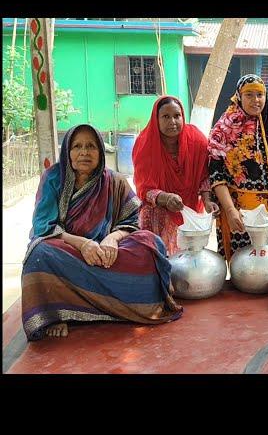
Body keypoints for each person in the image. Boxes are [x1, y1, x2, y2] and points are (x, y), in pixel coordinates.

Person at [21, 124, 182, 341]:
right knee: (39, 253)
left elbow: (132, 222)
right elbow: (42, 227)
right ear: (67, 151)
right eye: (77, 146)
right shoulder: (53, 177)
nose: (84, 152)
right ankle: (57, 312)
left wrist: (111, 239)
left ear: (100, 152)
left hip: (107, 255)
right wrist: (82, 244)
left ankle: (129, 305)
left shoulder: (113, 180)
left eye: (91, 146)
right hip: (67, 252)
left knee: (150, 243)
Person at [208, 74, 268, 260]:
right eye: (249, 95)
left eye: (260, 94)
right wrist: (229, 210)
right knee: (242, 268)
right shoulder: (223, 130)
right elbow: (216, 174)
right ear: (238, 97)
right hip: (237, 213)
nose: (255, 100)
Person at [132, 95, 215, 257]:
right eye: (166, 117)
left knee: (187, 263)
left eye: (177, 116)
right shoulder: (145, 145)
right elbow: (144, 189)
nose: (173, 122)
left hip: (188, 207)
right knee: (158, 256)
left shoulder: (196, 140)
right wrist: (165, 197)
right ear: (156, 119)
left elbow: (205, 175)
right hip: (157, 211)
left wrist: (206, 200)